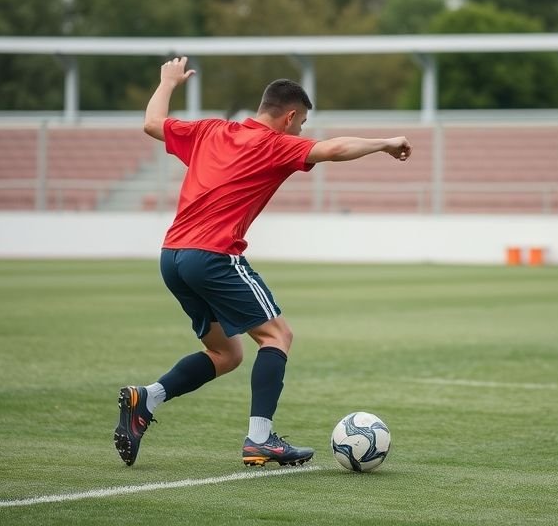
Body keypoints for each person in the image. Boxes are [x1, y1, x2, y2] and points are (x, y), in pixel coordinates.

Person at [114, 57, 411, 468]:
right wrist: (385, 142)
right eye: (302, 122)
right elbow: (335, 148)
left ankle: (147, 397)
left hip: (173, 257)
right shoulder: (275, 144)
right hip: (214, 254)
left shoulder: (211, 130)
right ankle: (260, 440)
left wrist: (166, 82)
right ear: (290, 117)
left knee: (226, 355)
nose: (302, 130)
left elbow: (152, 123)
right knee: (277, 336)